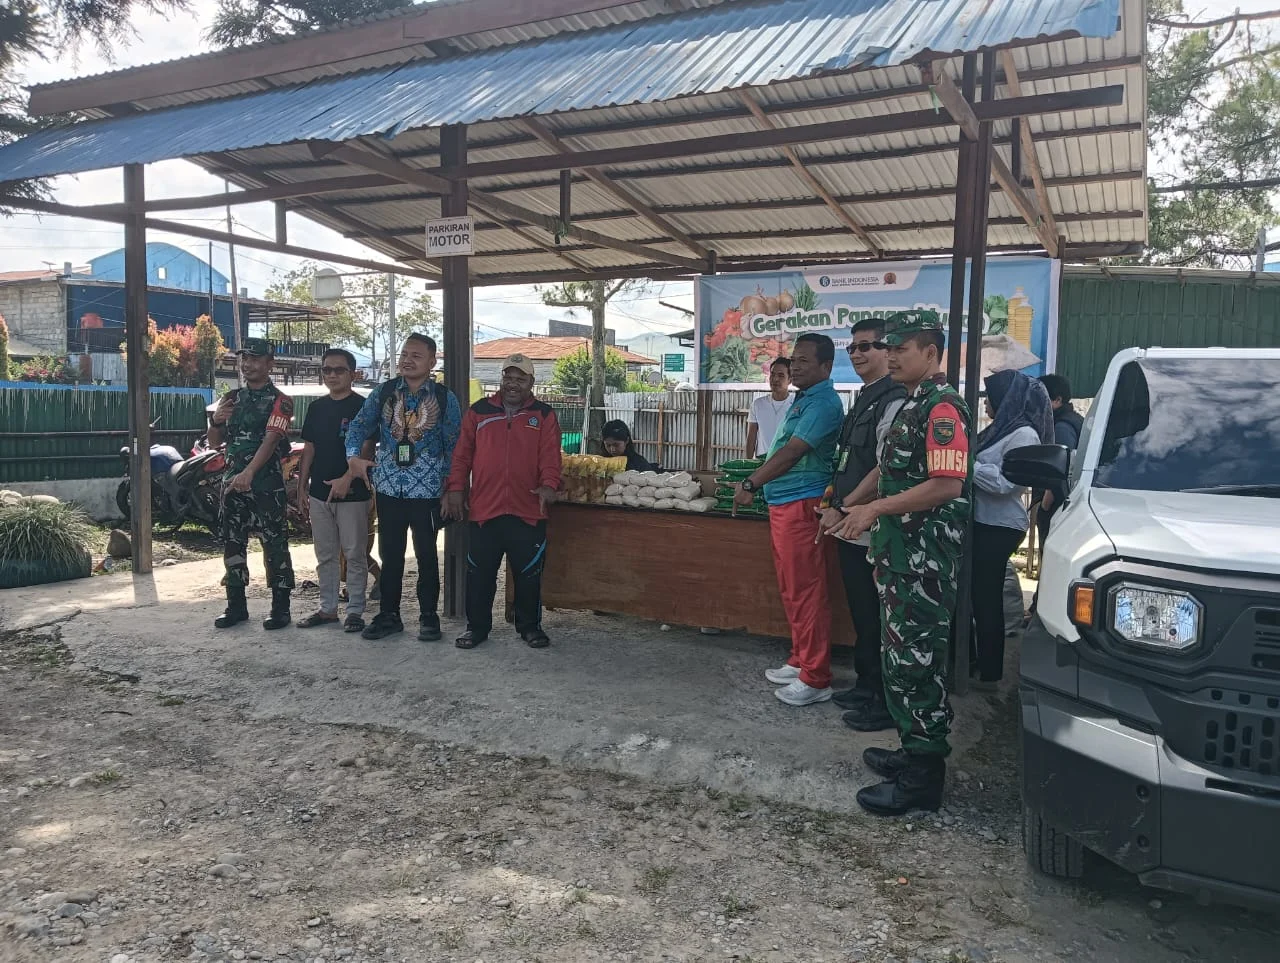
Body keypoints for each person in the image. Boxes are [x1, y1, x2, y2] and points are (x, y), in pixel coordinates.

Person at [823, 310, 970, 816]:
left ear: (931, 353)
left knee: (918, 664)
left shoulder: (944, 409)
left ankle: (923, 779)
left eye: (900, 349)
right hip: (900, 555)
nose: (890, 356)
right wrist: (851, 507)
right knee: (901, 661)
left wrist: (875, 510)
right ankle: (912, 752)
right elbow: (889, 469)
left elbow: (947, 485)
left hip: (923, 561)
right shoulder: (913, 404)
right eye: (888, 348)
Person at [733, 334, 844, 707]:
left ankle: (816, 677)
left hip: (802, 503)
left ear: (826, 366)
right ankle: (801, 660)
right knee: (791, 588)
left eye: (804, 361)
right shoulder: (805, 398)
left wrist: (750, 483)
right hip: (784, 502)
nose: (795, 367)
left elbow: (793, 452)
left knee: (807, 591)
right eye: (793, 360)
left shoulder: (824, 403)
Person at [817, 319, 907, 731]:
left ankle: (884, 699)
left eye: (867, 346)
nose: (857, 354)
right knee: (862, 613)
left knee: (881, 617)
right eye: (852, 347)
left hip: (874, 524)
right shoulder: (865, 397)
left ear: (888, 351)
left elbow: (884, 467)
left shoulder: (895, 399)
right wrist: (831, 503)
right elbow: (847, 461)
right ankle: (867, 685)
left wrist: (846, 506)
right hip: (850, 522)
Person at [345, 333, 462, 643]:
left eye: (416, 356)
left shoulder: (444, 398)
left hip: (428, 493)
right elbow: (358, 426)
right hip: (389, 489)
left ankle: (428, 617)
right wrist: (353, 458)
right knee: (390, 555)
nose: (408, 360)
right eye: (404, 354)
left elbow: (455, 447)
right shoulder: (384, 392)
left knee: (427, 556)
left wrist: (452, 489)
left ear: (432, 361)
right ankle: (389, 616)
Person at [444, 353, 563, 649]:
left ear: (531, 383)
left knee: (528, 575)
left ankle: (530, 627)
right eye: (508, 377)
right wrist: (456, 489)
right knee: (480, 574)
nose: (513, 384)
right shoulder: (479, 412)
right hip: (485, 510)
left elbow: (551, 457)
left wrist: (549, 486)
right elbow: (461, 455)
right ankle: (476, 628)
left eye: (520, 379)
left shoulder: (544, 415)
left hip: (528, 510)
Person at [965, 370, 1053, 687]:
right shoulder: (999, 430)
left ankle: (990, 671)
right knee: (975, 595)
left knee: (986, 597)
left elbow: (1007, 483)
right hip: (983, 521)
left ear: (1007, 400)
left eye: (990, 397)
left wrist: (968, 464)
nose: (986, 403)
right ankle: (972, 661)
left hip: (1000, 525)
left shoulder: (1024, 435)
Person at [207, 337, 296, 631]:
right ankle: (235, 606)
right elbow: (215, 442)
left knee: (275, 544)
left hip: (266, 485)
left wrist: (249, 473)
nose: (248, 364)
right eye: (245, 358)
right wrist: (216, 422)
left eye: (256, 359)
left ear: (270, 364)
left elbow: (271, 442)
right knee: (233, 543)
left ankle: (280, 609)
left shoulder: (281, 401)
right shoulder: (232, 398)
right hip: (234, 484)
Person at [296, 348, 372, 633]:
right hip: (319, 493)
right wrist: (302, 487)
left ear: (353, 374)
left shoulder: (363, 407)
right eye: (327, 370)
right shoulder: (316, 408)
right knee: (325, 555)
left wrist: (346, 479)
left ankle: (355, 611)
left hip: (353, 493)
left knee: (354, 554)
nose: (332, 375)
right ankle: (327, 609)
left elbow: (367, 448)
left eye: (339, 370)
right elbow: (309, 449)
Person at [1035, 373, 1084, 541]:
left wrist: (1045, 506)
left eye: (1041, 399)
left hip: (1057, 508)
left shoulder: (1062, 427)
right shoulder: (1075, 421)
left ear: (1057, 400)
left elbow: (1059, 471)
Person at [744, 358, 793, 458]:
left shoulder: (796, 405)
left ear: (790, 380)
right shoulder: (758, 404)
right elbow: (751, 438)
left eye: (781, 375)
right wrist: (747, 462)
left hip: (787, 462)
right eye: (773, 374)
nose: (775, 379)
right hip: (762, 462)